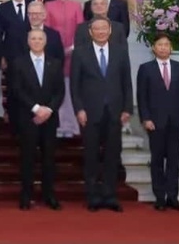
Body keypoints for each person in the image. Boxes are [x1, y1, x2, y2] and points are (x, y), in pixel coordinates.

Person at [70, 17, 132, 212]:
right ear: (90, 32)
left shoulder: (121, 52)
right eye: (97, 29)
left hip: (115, 112)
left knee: (112, 155)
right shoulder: (80, 53)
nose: (101, 32)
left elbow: (126, 83)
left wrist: (127, 108)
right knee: (91, 156)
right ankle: (93, 196)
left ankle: (110, 195)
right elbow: (74, 85)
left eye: (104, 28)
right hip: (90, 113)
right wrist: (79, 109)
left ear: (110, 30)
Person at [136, 32, 179, 211]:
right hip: (155, 122)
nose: (163, 48)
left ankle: (173, 197)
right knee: (157, 160)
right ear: (154, 48)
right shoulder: (145, 68)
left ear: (171, 48)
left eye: (166, 45)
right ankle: (160, 197)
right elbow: (142, 96)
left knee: (174, 161)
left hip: (177, 122)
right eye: (159, 45)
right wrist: (145, 118)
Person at [10, 29, 65, 211]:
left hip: (49, 118)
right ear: (28, 41)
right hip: (29, 118)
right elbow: (17, 90)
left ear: (45, 41)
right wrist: (36, 109)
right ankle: (26, 195)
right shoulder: (18, 63)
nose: (36, 41)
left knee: (49, 159)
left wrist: (48, 109)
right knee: (27, 159)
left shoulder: (55, 63)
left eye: (39, 38)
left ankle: (49, 195)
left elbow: (59, 91)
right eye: (33, 38)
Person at [44, 0, 85, 137]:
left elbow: (80, 28)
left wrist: (73, 47)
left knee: (69, 89)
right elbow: (47, 29)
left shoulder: (76, 6)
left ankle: (70, 125)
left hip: (72, 53)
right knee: (55, 88)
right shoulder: (48, 5)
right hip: (54, 53)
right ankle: (57, 124)